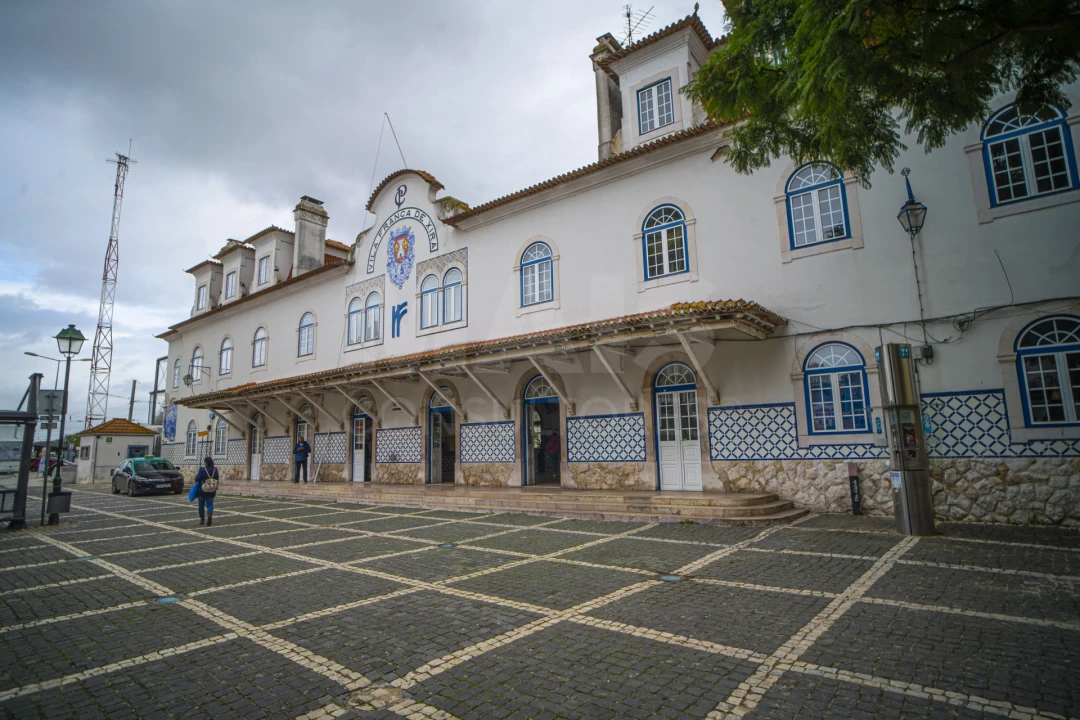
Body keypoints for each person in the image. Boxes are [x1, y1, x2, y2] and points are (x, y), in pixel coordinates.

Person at [194, 456, 220, 526]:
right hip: (211, 489)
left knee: (201, 505)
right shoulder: (215, 469)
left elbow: (197, 478)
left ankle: (202, 520)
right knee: (210, 504)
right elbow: (217, 479)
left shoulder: (202, 469)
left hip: (202, 490)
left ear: (206, 462)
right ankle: (209, 516)